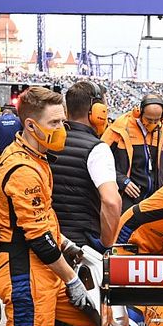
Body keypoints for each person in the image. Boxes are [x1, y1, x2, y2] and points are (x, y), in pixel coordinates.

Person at [0, 86, 96, 326]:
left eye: (63, 121)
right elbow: (38, 237)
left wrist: (66, 243)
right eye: (54, 123)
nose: (61, 129)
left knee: (94, 322)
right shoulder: (24, 170)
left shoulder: (36, 158)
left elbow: (44, 219)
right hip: (26, 272)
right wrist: (72, 279)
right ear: (30, 126)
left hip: (45, 270)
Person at [51, 81, 122, 251]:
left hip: (48, 240)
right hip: (82, 247)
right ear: (97, 111)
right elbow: (112, 201)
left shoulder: (47, 143)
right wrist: (106, 242)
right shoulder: (97, 149)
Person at [103, 93, 163, 212]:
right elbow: (101, 162)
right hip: (126, 200)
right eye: (148, 119)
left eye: (156, 120)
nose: (152, 123)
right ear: (139, 112)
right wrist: (122, 181)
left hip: (155, 202)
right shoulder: (120, 128)